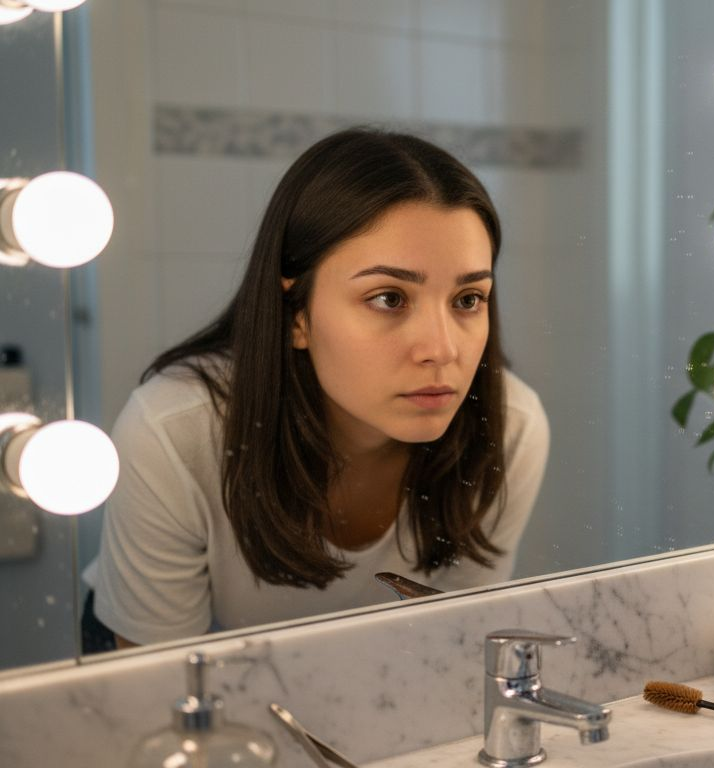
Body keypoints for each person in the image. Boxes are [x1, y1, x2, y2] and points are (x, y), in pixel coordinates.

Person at [83, 128, 549, 649]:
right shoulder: (174, 433)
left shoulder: (510, 427)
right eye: (389, 298)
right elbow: (160, 698)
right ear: (296, 314)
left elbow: (454, 650)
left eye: (468, 299)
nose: (441, 350)